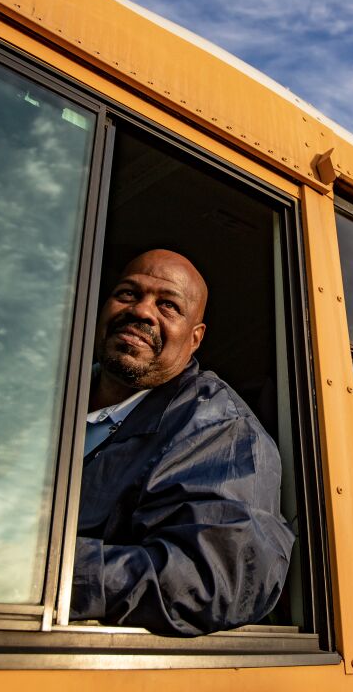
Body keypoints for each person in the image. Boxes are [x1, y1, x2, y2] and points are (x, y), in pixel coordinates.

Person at [71, 249, 294, 636]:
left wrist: (44, 568)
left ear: (195, 338)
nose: (142, 311)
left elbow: (212, 581)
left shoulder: (224, 433)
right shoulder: (46, 392)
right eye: (127, 293)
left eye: (168, 305)